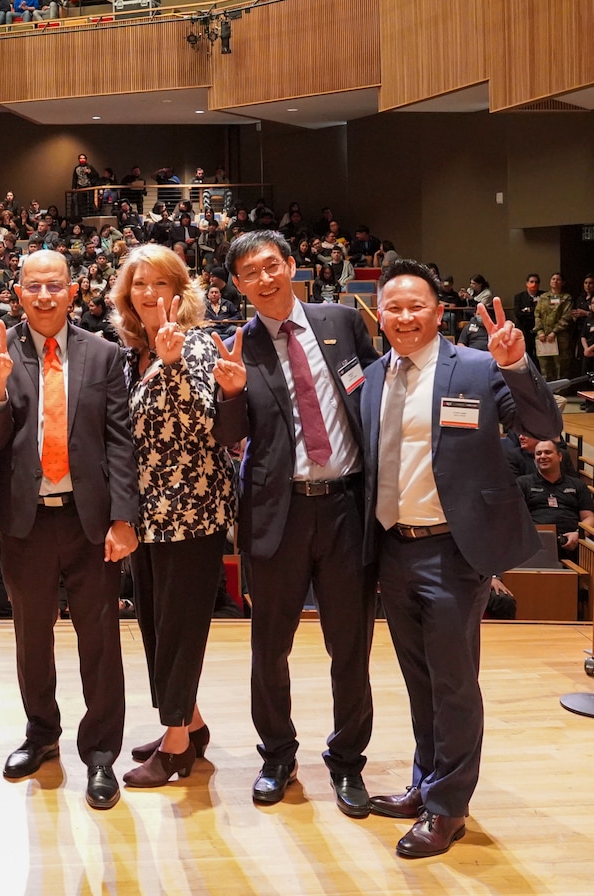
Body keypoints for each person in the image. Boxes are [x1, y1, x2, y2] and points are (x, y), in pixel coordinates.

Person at [360, 266, 560, 858]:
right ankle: (426, 783)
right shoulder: (373, 376)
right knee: (419, 681)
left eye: (415, 305)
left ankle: (450, 807)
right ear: (380, 314)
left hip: (453, 551)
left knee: (453, 684)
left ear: (437, 310)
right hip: (393, 549)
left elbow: (542, 425)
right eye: (392, 307)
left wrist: (518, 366)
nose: (403, 316)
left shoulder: (475, 367)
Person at [223, 231, 382, 816]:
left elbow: (376, 399)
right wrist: (232, 395)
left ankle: (346, 762)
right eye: (249, 273)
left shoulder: (342, 320)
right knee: (270, 647)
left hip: (344, 508)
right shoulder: (239, 345)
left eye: (272, 265)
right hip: (278, 514)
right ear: (237, 286)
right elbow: (229, 436)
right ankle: (277, 754)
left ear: (291, 265)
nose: (264, 279)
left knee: (351, 646)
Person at [0, 250, 140, 811]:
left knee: (100, 641)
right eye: (33, 286)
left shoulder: (105, 355)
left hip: (89, 520)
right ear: (17, 292)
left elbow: (121, 441)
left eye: (55, 285)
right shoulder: (0, 351)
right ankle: (42, 733)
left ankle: (100, 754)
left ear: (73, 291)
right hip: (26, 522)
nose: (44, 295)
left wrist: (124, 516)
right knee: (32, 638)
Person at [106, 244, 241, 791]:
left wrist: (172, 364)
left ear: (180, 291)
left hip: (192, 514)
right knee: (156, 629)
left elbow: (205, 423)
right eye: (139, 284)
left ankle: (178, 746)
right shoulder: (126, 352)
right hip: (147, 517)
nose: (149, 293)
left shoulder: (199, 345)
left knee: (180, 631)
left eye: (161, 283)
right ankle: (192, 722)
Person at [518, 438, 592, 560]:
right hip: (536, 542)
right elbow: (516, 518)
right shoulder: (523, 483)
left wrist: (578, 534)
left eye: (548, 452)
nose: (542, 456)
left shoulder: (578, 485)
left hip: (571, 542)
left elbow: (589, 517)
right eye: (538, 453)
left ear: (560, 456)